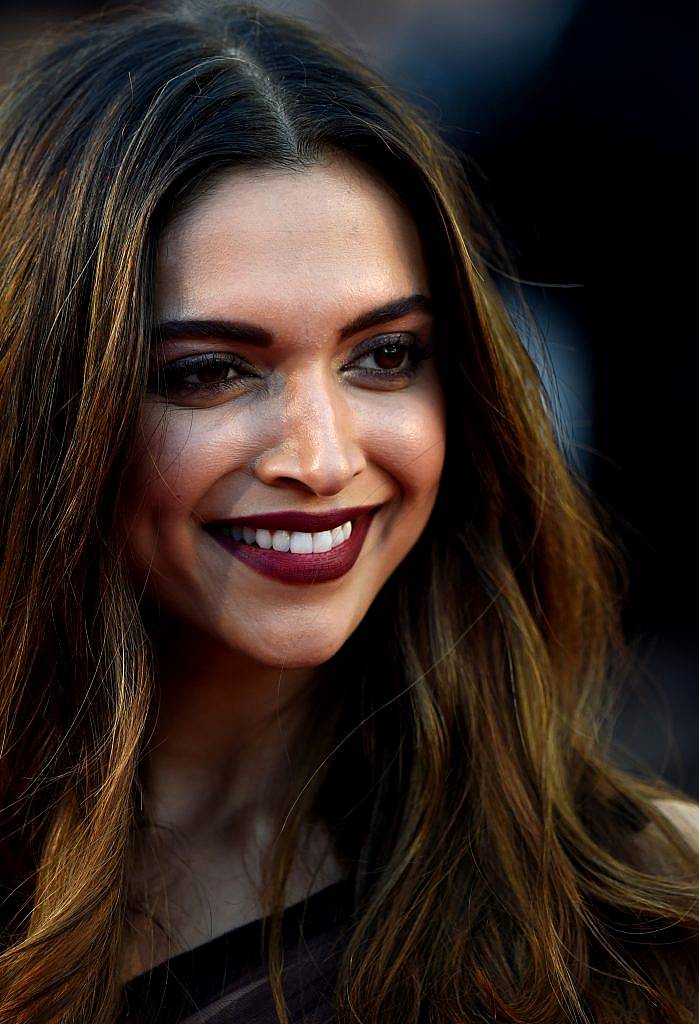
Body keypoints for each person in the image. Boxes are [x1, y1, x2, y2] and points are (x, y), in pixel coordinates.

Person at [0, 3, 697, 1022]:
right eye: (209, 372)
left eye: (386, 355)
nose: (323, 457)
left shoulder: (648, 906)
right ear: (53, 404)